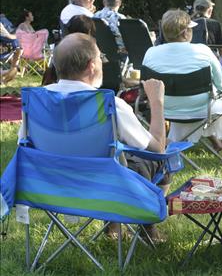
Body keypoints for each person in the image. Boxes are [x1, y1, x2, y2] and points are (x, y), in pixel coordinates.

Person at [19, 33, 167, 239]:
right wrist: (157, 102)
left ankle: (113, 227)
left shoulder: (35, 102)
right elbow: (157, 148)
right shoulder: (110, 104)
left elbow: (24, 146)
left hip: (51, 186)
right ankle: (147, 228)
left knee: (115, 156)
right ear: (91, 65)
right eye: (100, 58)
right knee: (162, 160)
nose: (101, 62)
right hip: (104, 188)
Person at [143, 9, 222, 153]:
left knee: (195, 99)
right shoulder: (203, 51)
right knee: (221, 98)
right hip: (202, 109)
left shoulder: (150, 53)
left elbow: (146, 85)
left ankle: (215, 142)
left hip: (164, 109)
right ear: (185, 32)